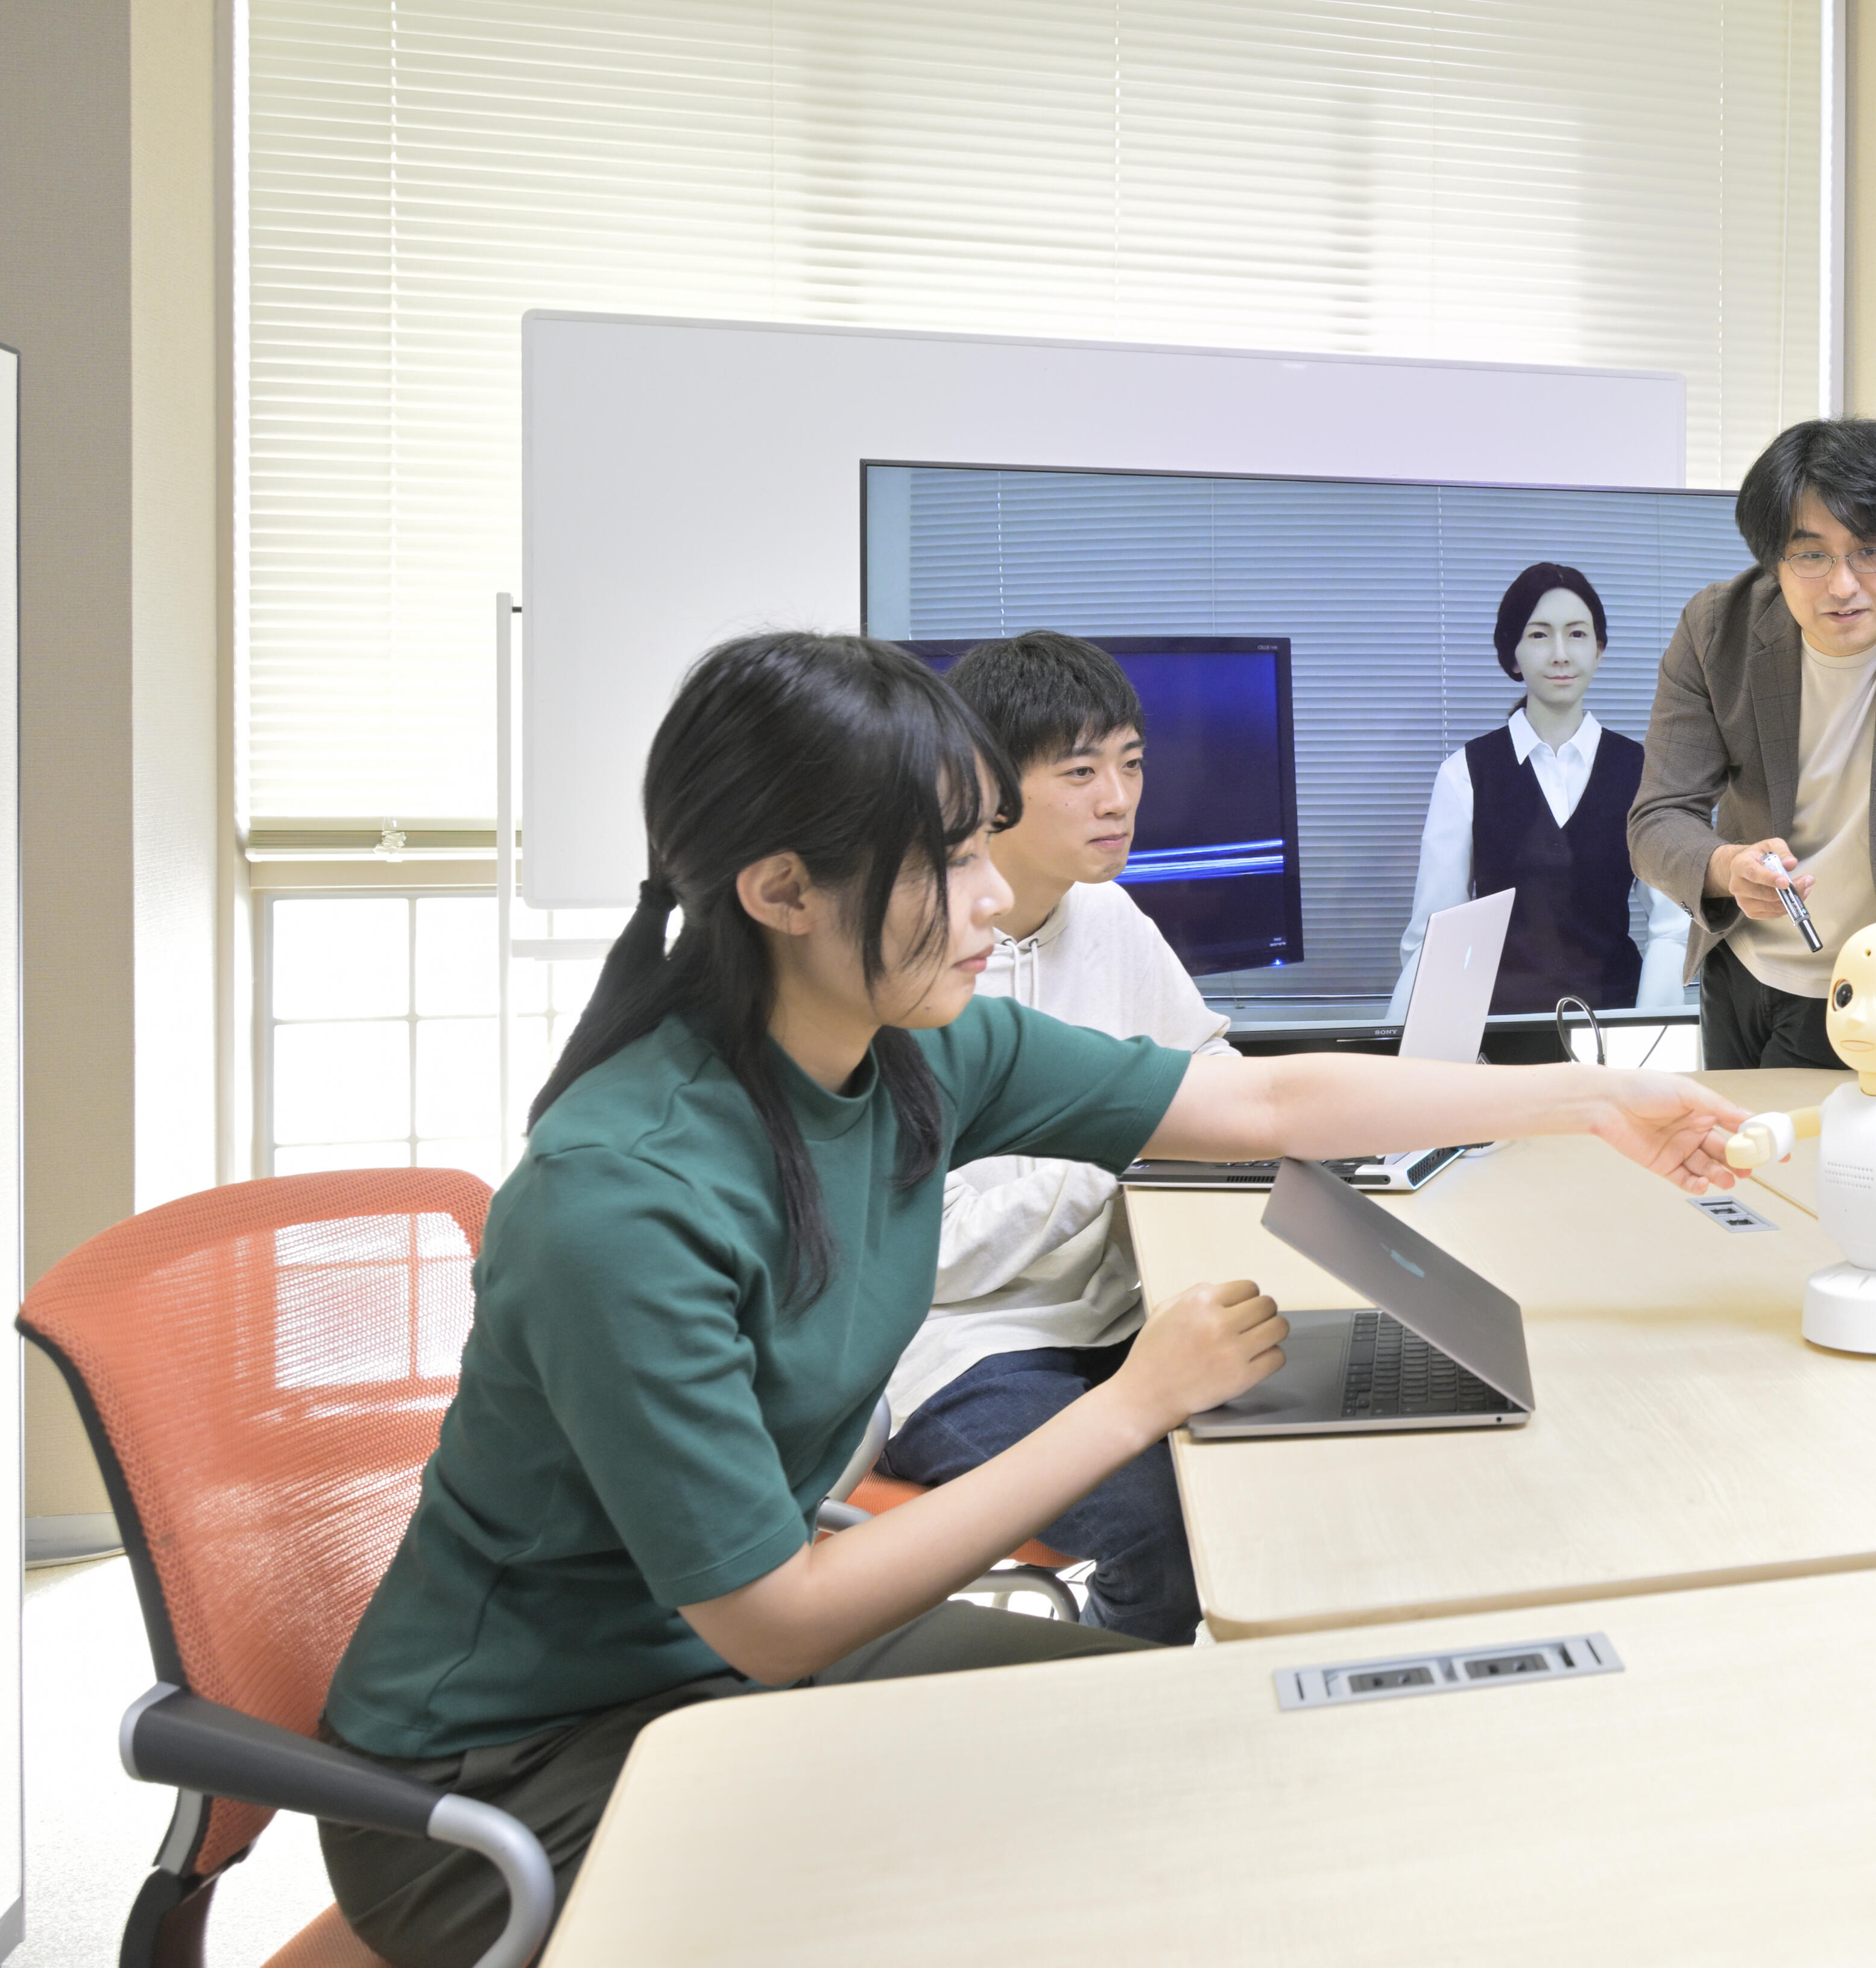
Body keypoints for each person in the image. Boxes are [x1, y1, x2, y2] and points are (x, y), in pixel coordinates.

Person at [318, 633, 1746, 1967]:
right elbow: (778, 1617)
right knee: (1067, 1887)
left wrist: (1594, 1095)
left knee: (1185, 1750)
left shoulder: (913, 1050)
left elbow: (1256, 1094)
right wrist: (1139, 1399)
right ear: (779, 889)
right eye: (949, 855)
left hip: (715, 1680)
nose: (997, 893)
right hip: (510, 1780)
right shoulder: (621, 1196)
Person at [871, 630, 1227, 1644]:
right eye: (1080, 772)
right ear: (986, 789)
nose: (1119, 797)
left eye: (1132, 763)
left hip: (1117, 1312)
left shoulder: (1108, 915)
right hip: (964, 1349)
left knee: (1285, 1435)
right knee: (1164, 1524)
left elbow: (1208, 1071)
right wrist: (1122, 1160)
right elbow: (924, 1251)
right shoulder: (909, 966)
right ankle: (1113, 1738)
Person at [1630, 417, 1876, 1071]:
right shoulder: (1716, 629)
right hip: (1741, 973)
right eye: (1811, 553)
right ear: (1774, 558)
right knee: (1737, 1168)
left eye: (1872, 550)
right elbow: (1657, 818)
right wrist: (1725, 865)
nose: (1843, 584)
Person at [1394, 563, 1693, 1055]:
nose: (1560, 654)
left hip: (1614, 1038)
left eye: (1577, 634)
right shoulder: (1466, 773)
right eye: (1539, 634)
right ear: (1513, 654)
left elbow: (1673, 928)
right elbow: (1434, 940)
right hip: (1496, 1043)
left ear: (1599, 650)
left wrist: (1644, 1049)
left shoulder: (1642, 772)